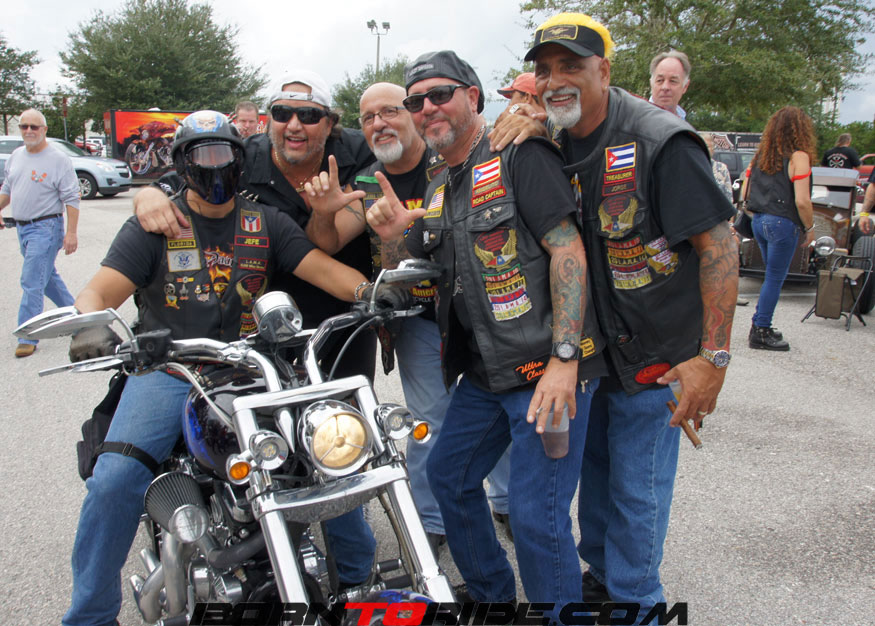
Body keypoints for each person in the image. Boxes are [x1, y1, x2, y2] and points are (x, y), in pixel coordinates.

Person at [60, 111, 403, 626]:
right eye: (202, 155)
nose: (214, 166)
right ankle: (89, 615)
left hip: (253, 369)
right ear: (183, 163)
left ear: (240, 162)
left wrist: (371, 292)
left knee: (333, 454)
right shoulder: (157, 224)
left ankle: (356, 587)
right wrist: (90, 326)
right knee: (115, 479)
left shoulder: (264, 222)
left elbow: (322, 267)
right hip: (170, 371)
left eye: (224, 154)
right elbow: (98, 291)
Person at [367, 50, 607, 622]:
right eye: (416, 100)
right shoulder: (440, 182)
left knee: (535, 515)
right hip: (484, 374)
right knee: (448, 478)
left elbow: (567, 251)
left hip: (545, 371)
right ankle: (493, 595)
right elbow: (424, 262)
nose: (428, 108)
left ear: (472, 97)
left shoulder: (519, 152)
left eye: (440, 94)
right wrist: (398, 233)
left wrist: (565, 360)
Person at [521, 13, 737, 621]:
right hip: (596, 353)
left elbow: (719, 247)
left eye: (571, 66)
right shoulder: (552, 138)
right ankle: (602, 577)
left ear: (605, 70)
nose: (555, 81)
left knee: (636, 489)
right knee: (596, 477)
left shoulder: (659, 139)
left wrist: (713, 359)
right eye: (546, 70)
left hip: (661, 355)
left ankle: (638, 600)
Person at [302, 81, 513, 551]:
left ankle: (506, 502)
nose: (379, 123)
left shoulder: (450, 156)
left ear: (413, 113)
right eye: (368, 117)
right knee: (429, 422)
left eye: (390, 111)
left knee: (496, 410)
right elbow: (329, 241)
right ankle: (432, 520)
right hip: (419, 318)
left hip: (480, 312)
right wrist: (323, 213)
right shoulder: (366, 181)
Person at [133, 70, 377, 381]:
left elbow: (403, 158)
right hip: (268, 313)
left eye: (308, 115)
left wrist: (379, 292)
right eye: (282, 113)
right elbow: (181, 179)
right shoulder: (244, 156)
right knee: (271, 403)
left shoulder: (358, 150)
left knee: (350, 403)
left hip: (345, 308)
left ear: (330, 124)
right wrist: (150, 194)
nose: (294, 125)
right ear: (268, 119)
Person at [0, 108, 79, 358]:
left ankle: (28, 336)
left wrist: (71, 233)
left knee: (32, 281)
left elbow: (71, 198)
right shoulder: (16, 156)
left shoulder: (58, 160)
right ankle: (79, 318)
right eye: (24, 126)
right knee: (47, 278)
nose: (29, 131)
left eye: (34, 127)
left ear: (44, 129)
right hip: (22, 228)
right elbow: (8, 188)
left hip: (46, 228)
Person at [742, 106, 816, 351]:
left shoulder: (761, 157)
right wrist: (810, 227)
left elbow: (745, 192)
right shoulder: (799, 157)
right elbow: (802, 201)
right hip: (783, 222)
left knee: (770, 277)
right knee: (774, 278)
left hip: (759, 220)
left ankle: (759, 324)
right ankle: (761, 330)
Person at [649, 50, 691, 119]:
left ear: (685, 87)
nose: (665, 87)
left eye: (673, 81)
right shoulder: (634, 120)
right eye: (660, 80)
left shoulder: (683, 122)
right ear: (651, 83)